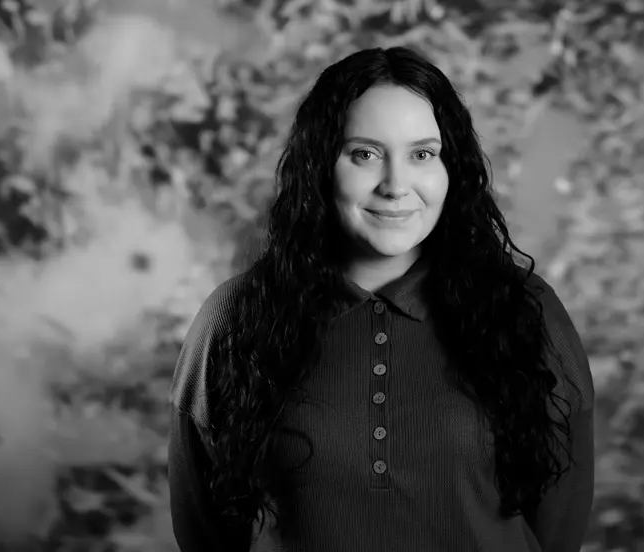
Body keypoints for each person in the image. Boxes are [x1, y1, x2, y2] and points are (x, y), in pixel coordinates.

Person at [168, 46, 595, 552]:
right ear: (319, 166)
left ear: (451, 169)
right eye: (365, 154)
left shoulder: (525, 311)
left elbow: (558, 526)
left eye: (422, 154)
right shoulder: (235, 318)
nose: (395, 186)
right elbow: (205, 530)